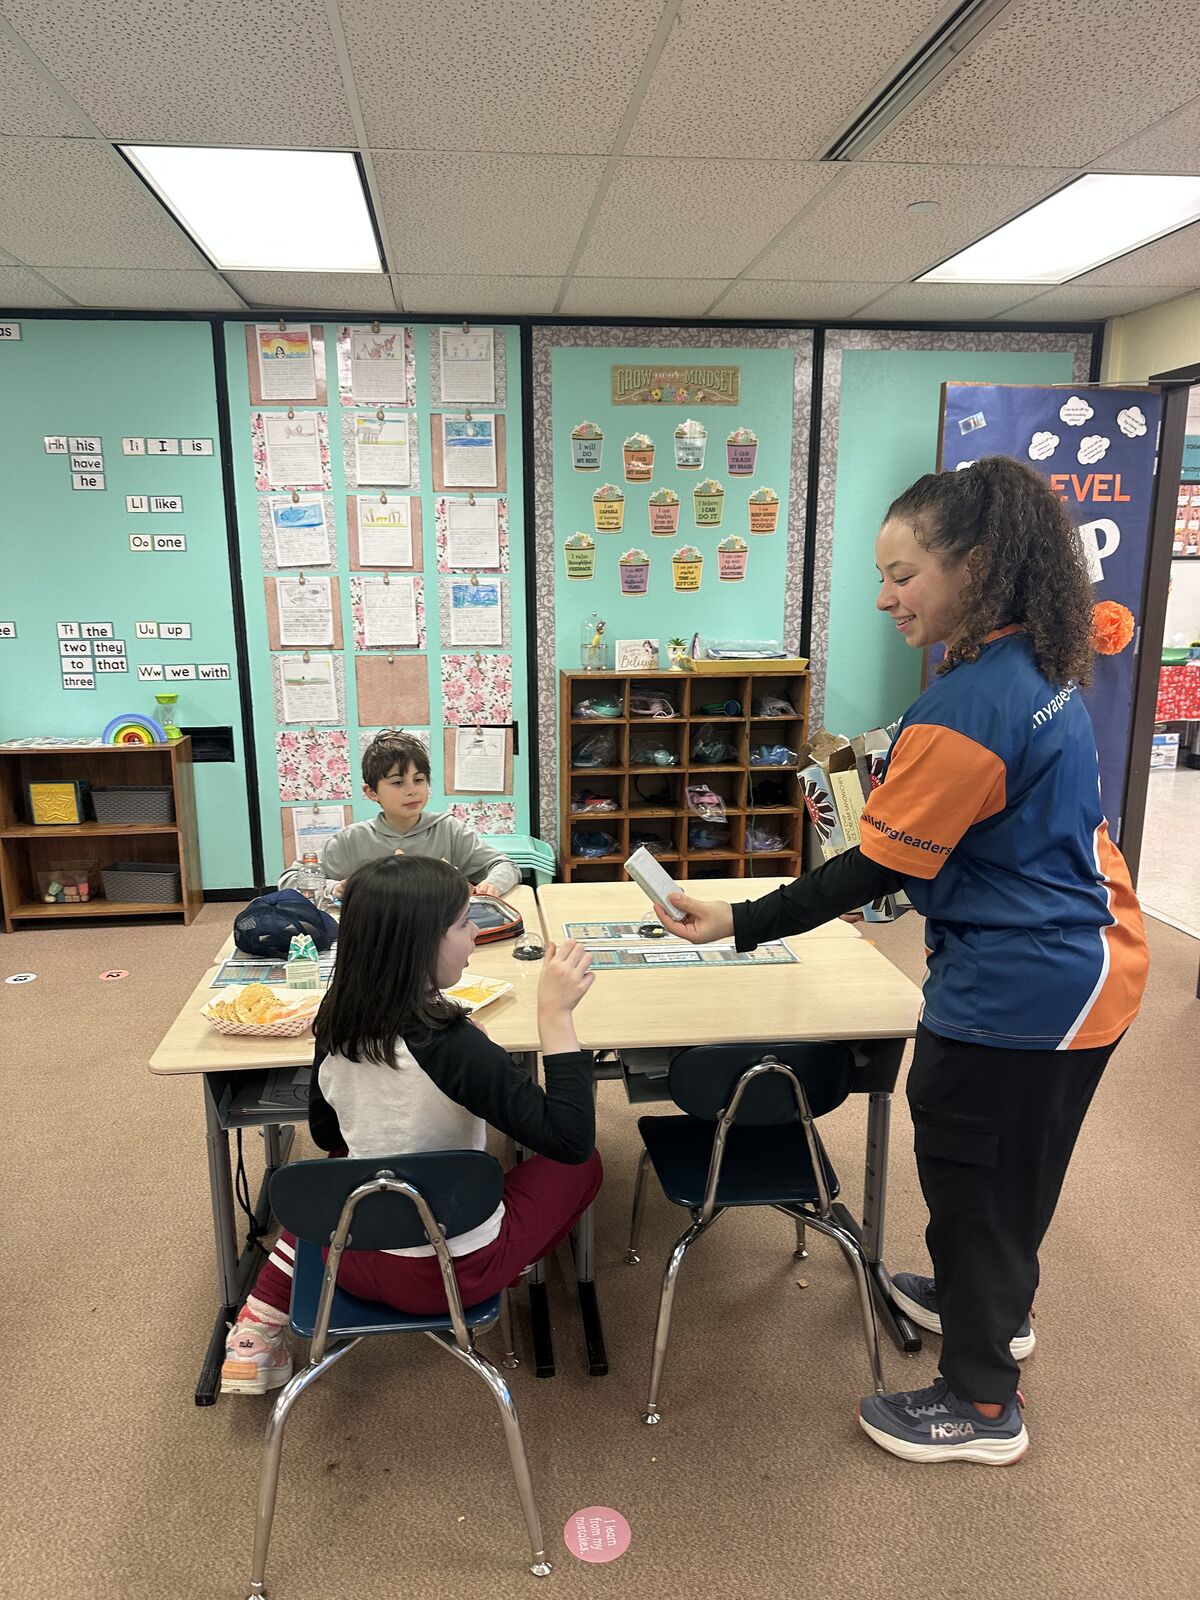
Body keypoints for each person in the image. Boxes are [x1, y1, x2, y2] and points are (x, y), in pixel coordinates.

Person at [656, 456, 1148, 1465]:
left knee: (973, 1174)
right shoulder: (1044, 655)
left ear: (977, 564)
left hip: (1026, 986)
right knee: (1014, 1170)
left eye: (903, 573)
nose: (883, 596)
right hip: (1094, 951)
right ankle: (988, 1307)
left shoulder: (962, 714)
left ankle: (979, 1405)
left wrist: (736, 921)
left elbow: (862, 872)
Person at [221, 855, 602, 1395]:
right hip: (451, 1276)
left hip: (351, 1258)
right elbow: (568, 1139)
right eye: (464, 923)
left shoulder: (335, 1019)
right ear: (420, 942)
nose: (476, 934)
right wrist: (555, 1017)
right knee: (586, 1162)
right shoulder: (456, 1046)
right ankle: (512, 1269)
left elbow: (330, 1136)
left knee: (341, 1170)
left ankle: (257, 1329)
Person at [279, 730, 519, 905]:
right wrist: (335, 888)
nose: (411, 790)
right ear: (371, 792)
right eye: (397, 782)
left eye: (419, 780)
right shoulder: (353, 840)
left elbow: (505, 865)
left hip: (438, 935)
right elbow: (290, 879)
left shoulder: (447, 830)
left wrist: (493, 884)